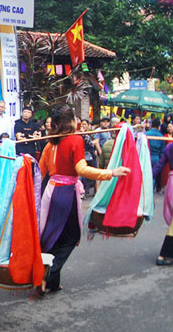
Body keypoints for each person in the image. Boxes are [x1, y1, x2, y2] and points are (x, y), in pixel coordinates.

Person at [39, 105, 129, 295]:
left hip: (50, 192)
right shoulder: (75, 140)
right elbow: (81, 169)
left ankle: (51, 282)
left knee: (53, 236)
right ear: (71, 121)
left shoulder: (50, 143)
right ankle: (48, 273)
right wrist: (111, 173)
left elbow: (40, 172)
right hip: (65, 193)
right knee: (71, 238)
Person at [154, 127, 173, 266]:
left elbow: (160, 165)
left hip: (172, 182)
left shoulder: (170, 146)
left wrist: (145, 180)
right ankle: (164, 255)